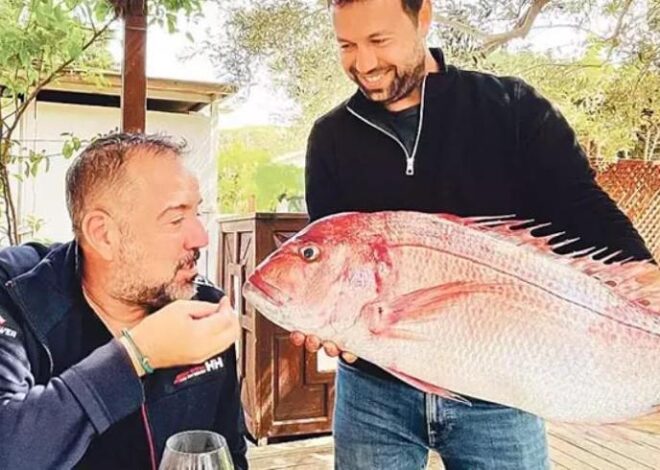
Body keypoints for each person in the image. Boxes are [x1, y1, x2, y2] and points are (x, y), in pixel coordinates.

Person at [293, 0, 656, 468]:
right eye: (347, 45)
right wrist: (327, 324)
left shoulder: (512, 109)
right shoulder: (331, 137)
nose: (363, 63)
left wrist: (648, 285)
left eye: (378, 40)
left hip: (499, 388)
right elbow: (330, 249)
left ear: (423, 17)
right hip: (373, 395)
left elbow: (581, 205)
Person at [0, 133, 248, 469]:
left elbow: (227, 451)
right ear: (103, 234)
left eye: (197, 213)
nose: (200, 237)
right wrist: (135, 355)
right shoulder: (20, 301)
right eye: (176, 219)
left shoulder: (202, 307)